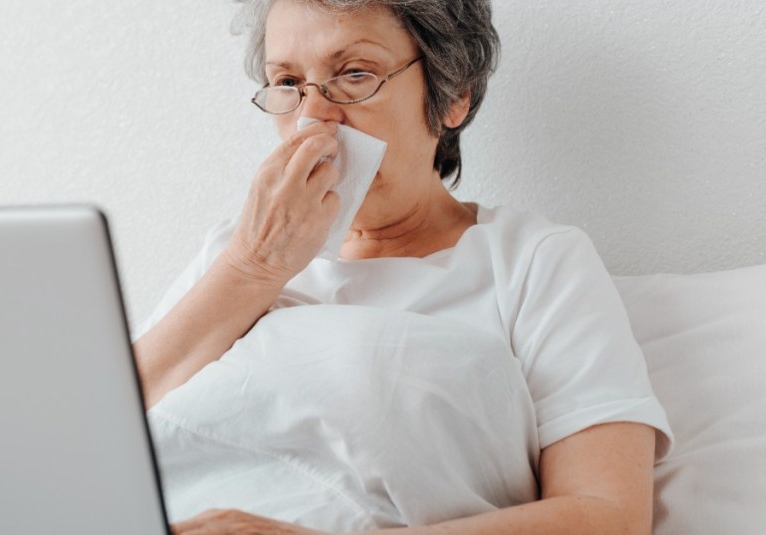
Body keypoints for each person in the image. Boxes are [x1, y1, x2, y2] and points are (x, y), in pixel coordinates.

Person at [132, 0, 674, 533]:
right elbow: (94, 432)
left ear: (451, 97)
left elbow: (610, 515)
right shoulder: (236, 250)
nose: (312, 117)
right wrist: (252, 266)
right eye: (288, 82)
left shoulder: (532, 260)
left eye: (354, 74)